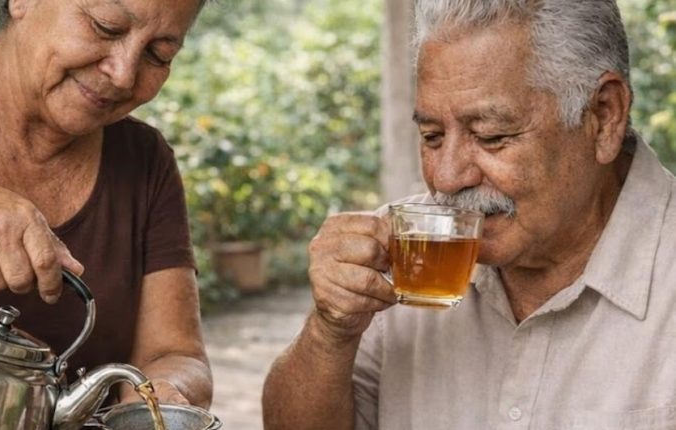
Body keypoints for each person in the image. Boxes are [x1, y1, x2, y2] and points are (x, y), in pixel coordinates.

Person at [263, 0, 676, 428]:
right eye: (432, 136)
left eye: (490, 136)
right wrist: (328, 333)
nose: (446, 178)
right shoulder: (402, 253)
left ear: (604, 117)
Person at [0, 0, 212, 407]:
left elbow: (174, 354)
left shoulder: (144, 160)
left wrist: (162, 394)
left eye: (159, 54)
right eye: (106, 27)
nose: (123, 75)